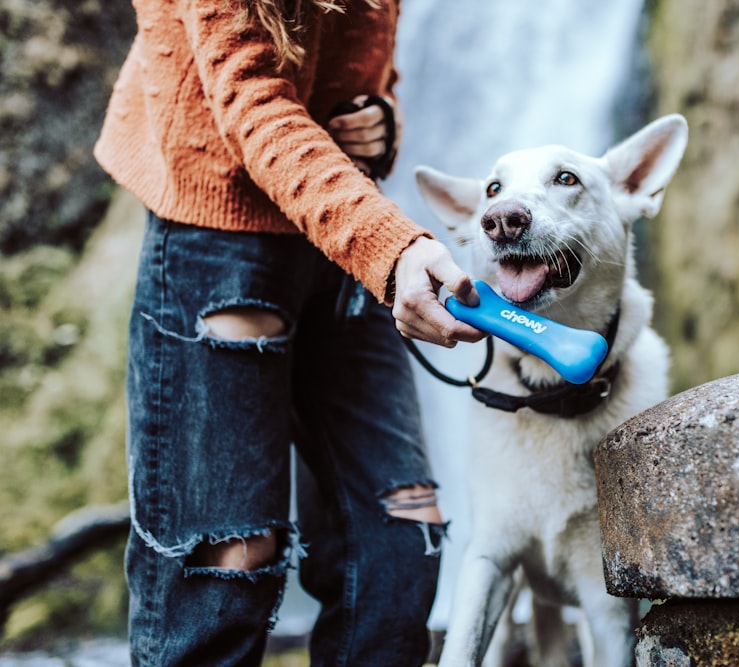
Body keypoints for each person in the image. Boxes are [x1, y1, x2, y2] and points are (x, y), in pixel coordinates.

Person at [94, 0, 484, 664]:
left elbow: (358, 55)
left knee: (402, 540)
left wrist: (377, 116)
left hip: (341, 230)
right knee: (228, 561)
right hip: (220, 233)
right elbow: (252, 97)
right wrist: (393, 250)